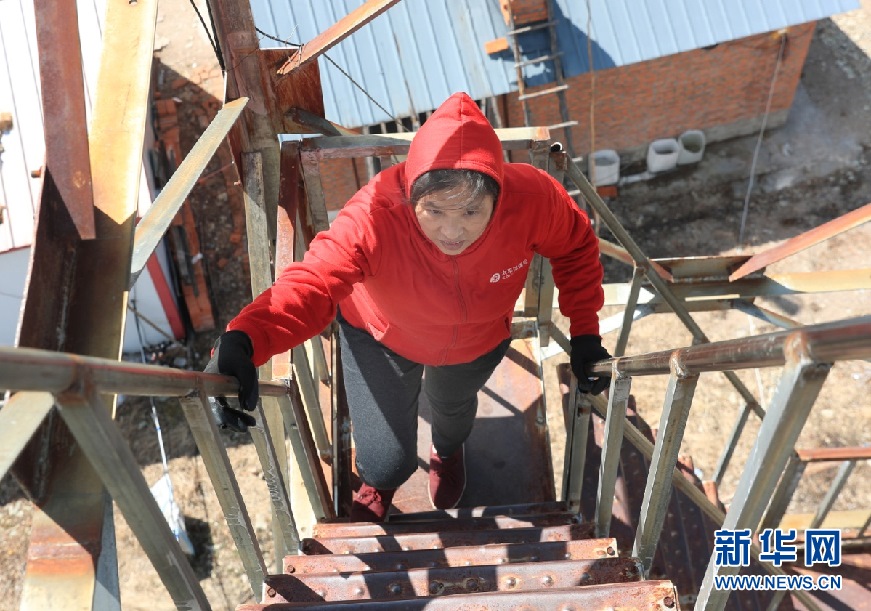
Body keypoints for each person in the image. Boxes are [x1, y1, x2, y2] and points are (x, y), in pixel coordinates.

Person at [205, 92, 611, 522]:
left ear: (499, 195)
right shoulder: (374, 214)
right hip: (380, 335)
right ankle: (379, 483)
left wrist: (585, 333)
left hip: (477, 340)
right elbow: (314, 280)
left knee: (454, 414)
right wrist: (245, 339)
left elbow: (577, 247)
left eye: (471, 212)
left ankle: (446, 452)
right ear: (411, 192)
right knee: (385, 461)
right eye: (433, 210)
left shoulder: (533, 199)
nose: (452, 231)